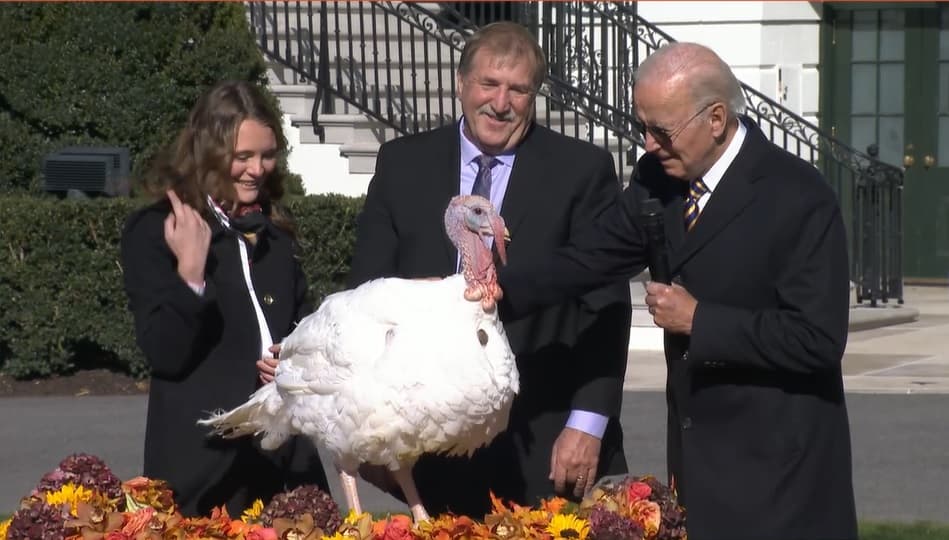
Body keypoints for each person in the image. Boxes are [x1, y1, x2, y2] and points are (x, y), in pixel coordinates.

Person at [491, 42, 858, 540]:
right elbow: (585, 261)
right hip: (696, 463)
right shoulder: (657, 180)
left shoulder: (798, 197)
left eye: (661, 131)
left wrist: (700, 321)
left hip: (780, 474)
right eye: (642, 126)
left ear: (716, 119)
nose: (647, 144)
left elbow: (817, 337)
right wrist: (483, 288)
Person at [347, 22, 632, 517]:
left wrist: (586, 425)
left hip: (542, 441)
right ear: (461, 84)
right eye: (489, 84)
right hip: (427, 443)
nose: (501, 103)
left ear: (534, 96)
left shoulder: (581, 172)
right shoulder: (402, 163)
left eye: (518, 89)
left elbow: (606, 309)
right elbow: (364, 294)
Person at [120, 80, 329, 517]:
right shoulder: (158, 229)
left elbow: (304, 325)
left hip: (284, 466)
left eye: (267, 155)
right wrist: (191, 275)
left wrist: (296, 361)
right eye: (243, 157)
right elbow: (165, 353)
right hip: (200, 472)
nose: (258, 169)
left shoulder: (275, 235)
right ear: (210, 154)